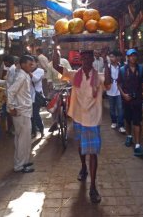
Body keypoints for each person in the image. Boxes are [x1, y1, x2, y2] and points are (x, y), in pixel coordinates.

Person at [52, 49, 110, 203]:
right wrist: (55, 47)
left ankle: (92, 187)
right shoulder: (73, 74)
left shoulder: (99, 76)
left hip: (92, 119)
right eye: (83, 57)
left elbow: (109, 82)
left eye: (88, 57)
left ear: (92, 59)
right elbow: (56, 66)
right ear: (80, 59)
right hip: (78, 116)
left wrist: (106, 61)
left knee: (93, 152)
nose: (85, 59)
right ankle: (83, 167)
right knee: (81, 147)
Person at [7, 55, 35, 173]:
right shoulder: (21, 77)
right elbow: (11, 91)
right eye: (30, 64)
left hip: (24, 111)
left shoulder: (24, 75)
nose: (32, 66)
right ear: (23, 64)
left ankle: (24, 161)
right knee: (22, 139)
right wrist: (11, 107)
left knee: (23, 139)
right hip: (21, 111)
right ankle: (19, 165)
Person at [117, 49, 143, 157]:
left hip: (137, 99)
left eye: (135, 56)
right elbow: (119, 84)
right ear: (128, 57)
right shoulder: (122, 70)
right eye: (131, 56)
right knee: (127, 119)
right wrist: (124, 95)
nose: (133, 58)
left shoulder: (141, 69)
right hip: (126, 99)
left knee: (137, 121)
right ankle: (129, 136)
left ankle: (138, 145)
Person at [45, 53, 72, 132]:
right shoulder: (49, 65)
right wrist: (50, 86)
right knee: (52, 103)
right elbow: (49, 79)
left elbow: (69, 72)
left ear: (60, 57)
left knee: (71, 99)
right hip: (55, 87)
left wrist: (69, 81)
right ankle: (54, 122)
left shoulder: (65, 62)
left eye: (58, 57)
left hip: (66, 85)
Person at [106, 50, 125, 133]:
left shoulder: (121, 67)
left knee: (120, 108)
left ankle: (121, 125)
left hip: (119, 91)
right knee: (112, 108)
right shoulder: (107, 67)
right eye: (110, 56)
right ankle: (114, 121)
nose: (111, 58)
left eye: (112, 56)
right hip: (110, 90)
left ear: (117, 58)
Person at [30, 57, 45, 138]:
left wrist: (28, 72)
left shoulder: (40, 71)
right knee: (30, 116)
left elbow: (35, 79)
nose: (31, 65)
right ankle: (33, 131)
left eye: (32, 63)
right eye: (29, 64)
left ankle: (41, 128)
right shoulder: (26, 72)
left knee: (35, 114)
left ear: (37, 63)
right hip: (28, 96)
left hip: (37, 96)